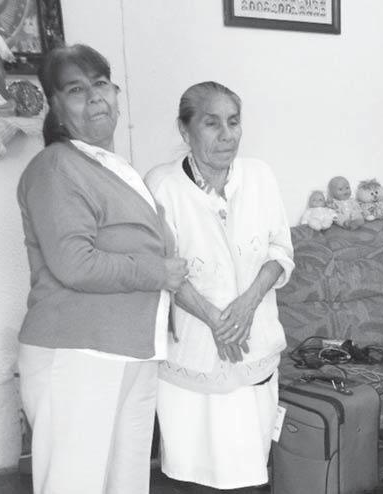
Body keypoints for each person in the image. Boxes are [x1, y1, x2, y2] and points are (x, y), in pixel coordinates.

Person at [16, 44, 188, 494]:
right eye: (76, 89)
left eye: (100, 84)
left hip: (132, 350)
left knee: (126, 482)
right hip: (78, 353)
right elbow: (75, 264)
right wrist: (157, 272)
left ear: (116, 94)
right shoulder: (55, 167)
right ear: (55, 105)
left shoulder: (113, 167)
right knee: (73, 484)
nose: (94, 96)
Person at [145, 81, 294, 491]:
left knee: (251, 471)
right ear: (185, 129)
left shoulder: (259, 176)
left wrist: (247, 305)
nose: (227, 135)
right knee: (195, 474)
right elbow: (162, 268)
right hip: (192, 353)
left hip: (254, 345)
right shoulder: (161, 185)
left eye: (233, 121)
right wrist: (216, 320)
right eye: (212, 123)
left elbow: (280, 250)